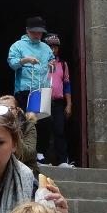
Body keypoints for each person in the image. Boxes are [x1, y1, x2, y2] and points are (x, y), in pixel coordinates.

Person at [6, 16, 54, 117]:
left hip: (42, 91)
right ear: (27, 31)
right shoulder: (17, 46)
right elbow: (12, 64)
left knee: (43, 121)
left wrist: (52, 65)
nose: (37, 35)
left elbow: (53, 67)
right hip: (24, 91)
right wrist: (25, 60)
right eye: (34, 32)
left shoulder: (46, 48)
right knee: (24, 122)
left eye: (39, 32)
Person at [39, 33, 73, 167]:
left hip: (58, 103)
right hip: (43, 99)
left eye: (55, 47)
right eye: (50, 47)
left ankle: (63, 161)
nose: (53, 50)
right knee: (43, 129)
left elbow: (67, 84)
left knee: (59, 130)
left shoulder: (63, 64)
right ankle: (40, 158)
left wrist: (69, 104)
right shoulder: (40, 62)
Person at [0, 94, 39, 177]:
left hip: (26, 169)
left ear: (17, 111)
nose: (8, 111)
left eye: (11, 108)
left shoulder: (28, 125)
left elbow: (28, 153)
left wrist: (13, 129)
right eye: (4, 108)